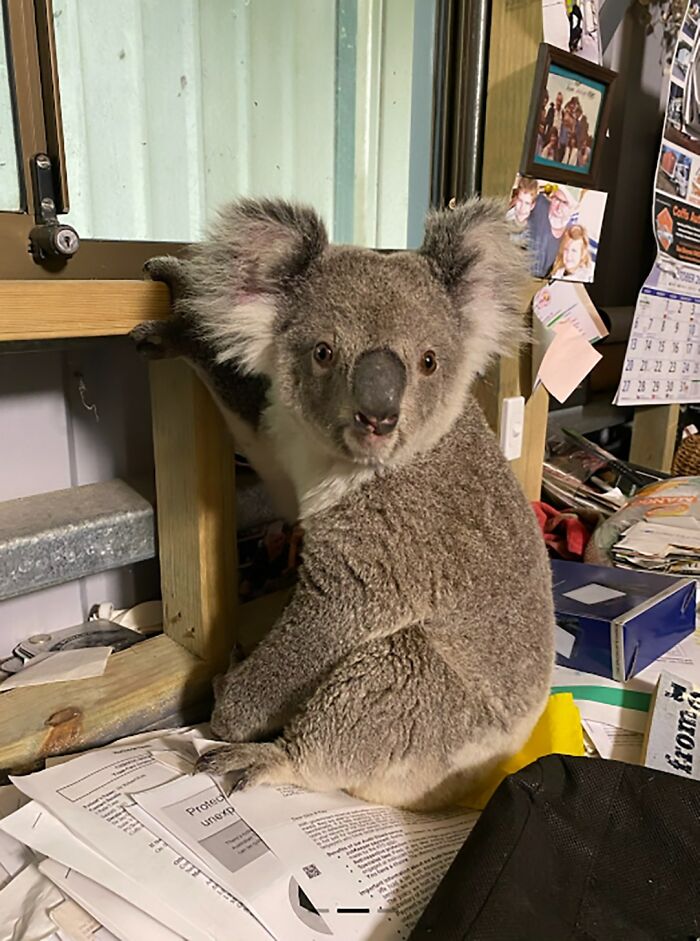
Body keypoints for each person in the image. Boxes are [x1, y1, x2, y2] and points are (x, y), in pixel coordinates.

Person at [526, 185, 577, 278]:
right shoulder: (539, 204)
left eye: (565, 203)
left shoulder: (570, 234)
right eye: (557, 199)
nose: (559, 207)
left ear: (572, 209)